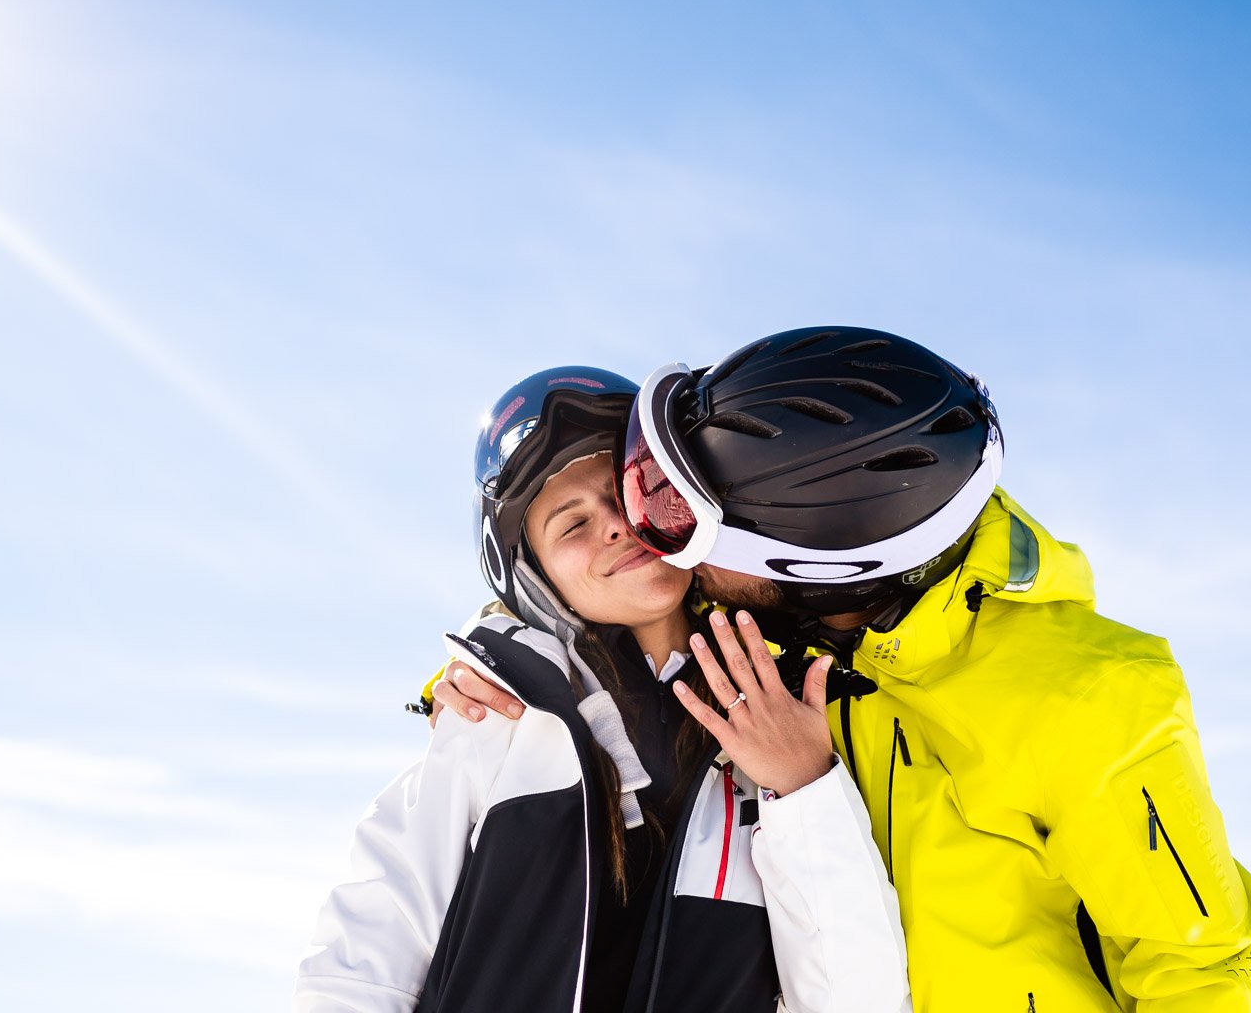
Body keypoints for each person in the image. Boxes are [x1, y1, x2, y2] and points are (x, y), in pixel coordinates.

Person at [440, 329, 1251, 1012]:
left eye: (699, 530)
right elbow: (603, 624)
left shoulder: (1089, 695)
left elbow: (1200, 968)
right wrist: (491, 669)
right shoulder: (764, 632)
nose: (665, 546)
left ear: (815, 563)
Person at [295, 367, 910, 1013]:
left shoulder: (797, 706)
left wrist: (803, 786)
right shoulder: (497, 720)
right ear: (535, 577)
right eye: (571, 525)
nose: (616, 526)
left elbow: (857, 999)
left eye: (628, 492)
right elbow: (361, 967)